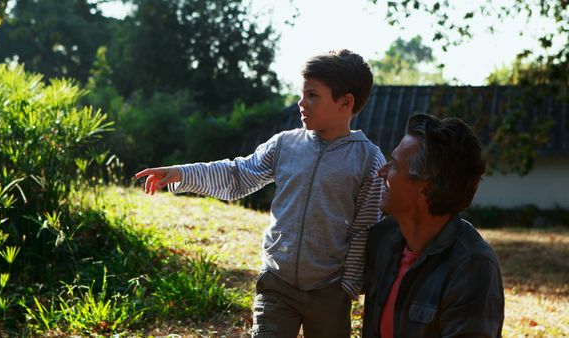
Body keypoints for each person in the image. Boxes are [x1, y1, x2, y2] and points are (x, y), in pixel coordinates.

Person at [135, 49, 385, 337]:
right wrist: (182, 173)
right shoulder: (285, 145)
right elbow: (238, 175)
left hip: (330, 291)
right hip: (277, 283)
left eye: (312, 95)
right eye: (302, 94)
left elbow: (365, 227)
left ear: (346, 102)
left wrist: (348, 287)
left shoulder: (368, 160)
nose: (301, 103)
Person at [362, 113, 505, 337]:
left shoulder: (472, 267)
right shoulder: (381, 239)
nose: (382, 171)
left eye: (395, 165)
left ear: (425, 188)